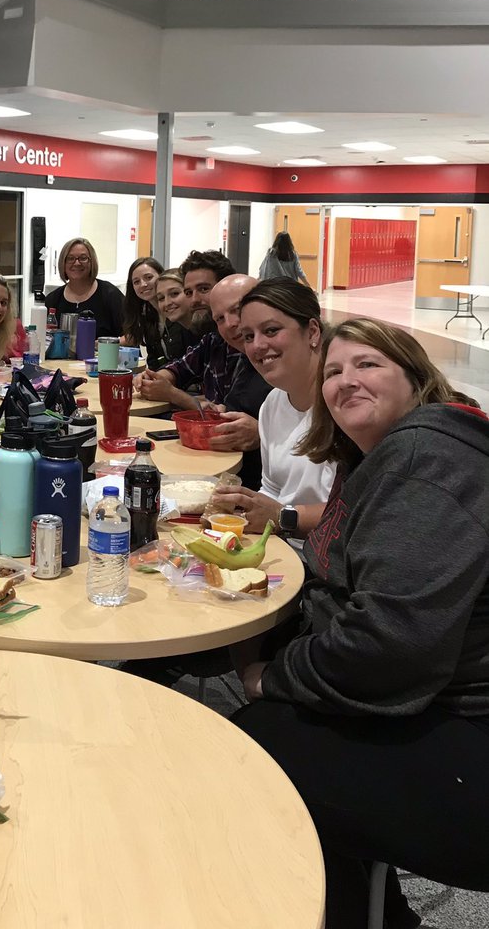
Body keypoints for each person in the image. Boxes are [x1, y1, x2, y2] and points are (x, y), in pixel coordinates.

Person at [233, 318, 489, 928]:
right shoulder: (383, 455)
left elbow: (388, 646)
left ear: (416, 377)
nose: (347, 380)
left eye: (368, 365)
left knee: (245, 754)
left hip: (469, 727)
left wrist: (273, 676)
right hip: (435, 696)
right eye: (334, 372)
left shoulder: (425, 462)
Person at [213, 279, 335, 538]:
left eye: (270, 330)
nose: (257, 345)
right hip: (282, 545)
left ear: (313, 332)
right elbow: (272, 489)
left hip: (327, 562)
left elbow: (361, 511)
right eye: (249, 336)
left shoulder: (343, 406)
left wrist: (284, 516)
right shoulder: (272, 404)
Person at [138, 250, 236, 406]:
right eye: (189, 292)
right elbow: (180, 368)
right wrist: (152, 379)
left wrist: (171, 393)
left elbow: (226, 414)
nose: (194, 300)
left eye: (203, 289)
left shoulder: (240, 342)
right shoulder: (211, 339)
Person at [205, 274, 273, 491]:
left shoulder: (287, 365)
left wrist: (263, 434)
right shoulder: (246, 357)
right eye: (219, 319)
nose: (231, 324)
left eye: (237, 310)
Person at [44, 237, 125, 339]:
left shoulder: (110, 295)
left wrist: (101, 345)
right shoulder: (53, 299)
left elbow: (132, 337)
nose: (77, 263)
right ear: (62, 264)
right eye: (70, 258)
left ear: (92, 262)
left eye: (83, 258)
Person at [122, 257, 164, 366]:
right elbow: (153, 358)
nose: (143, 284)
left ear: (161, 276)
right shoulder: (145, 313)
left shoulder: (176, 310)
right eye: (136, 282)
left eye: (148, 277)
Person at [154, 269, 202, 364]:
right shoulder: (181, 331)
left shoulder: (206, 331)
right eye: (161, 298)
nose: (167, 303)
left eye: (175, 294)